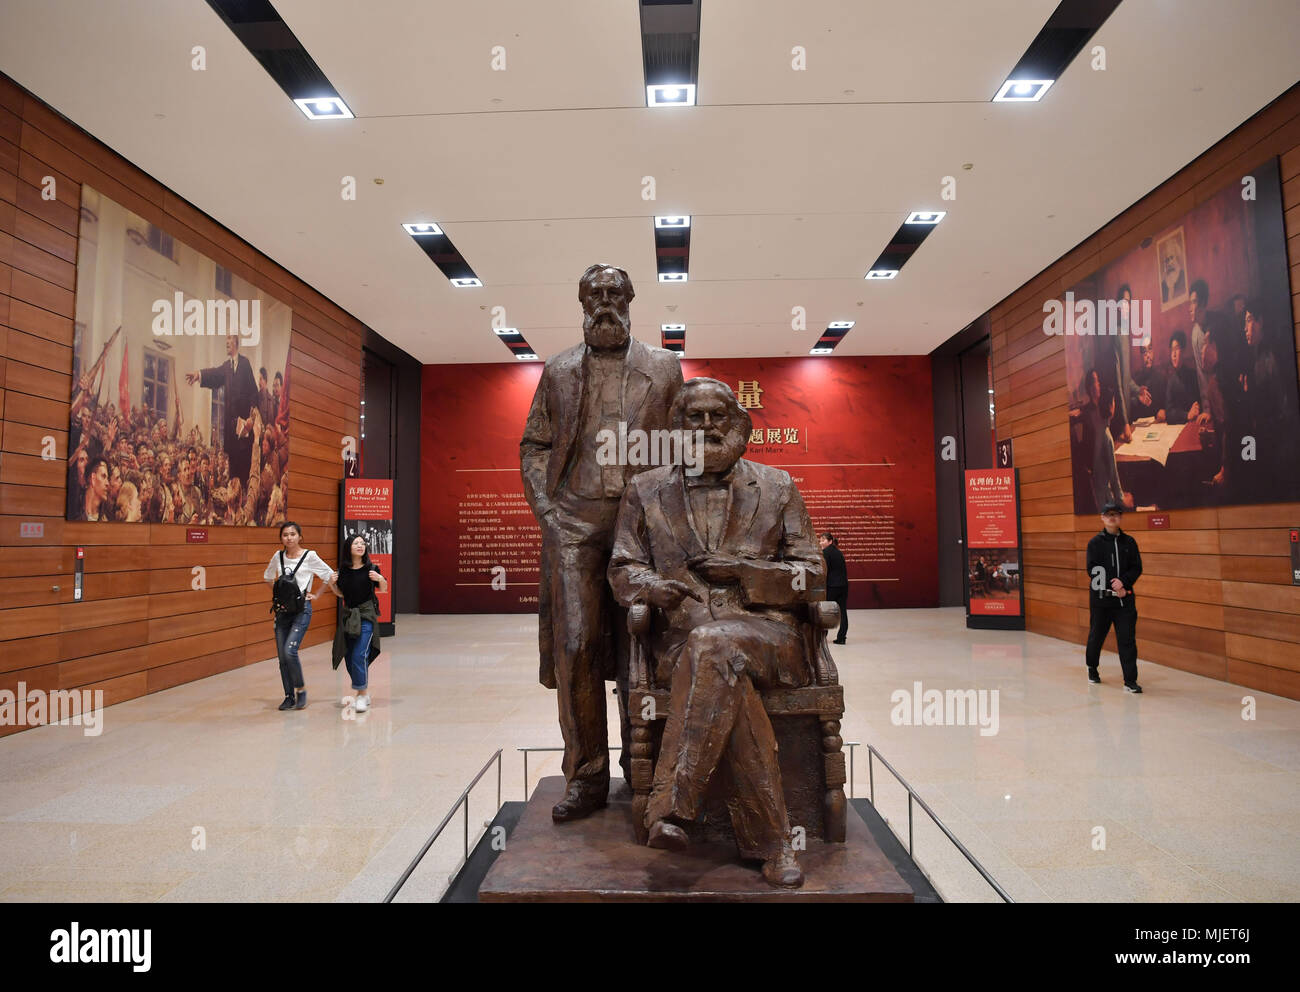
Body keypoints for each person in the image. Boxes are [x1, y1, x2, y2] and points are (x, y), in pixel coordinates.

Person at [608, 378, 826, 888]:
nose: (706, 427)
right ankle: (773, 842)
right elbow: (622, 569)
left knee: (718, 646)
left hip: (769, 637)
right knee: (719, 659)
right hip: (683, 640)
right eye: (694, 417)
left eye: (718, 417)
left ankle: (671, 808)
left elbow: (810, 573)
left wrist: (745, 571)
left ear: (740, 424)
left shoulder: (777, 487)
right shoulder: (645, 490)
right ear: (674, 429)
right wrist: (655, 588)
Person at [520, 263, 683, 823]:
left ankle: (649, 768)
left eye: (615, 293)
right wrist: (547, 510)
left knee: (643, 646)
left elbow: (683, 440)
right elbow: (536, 444)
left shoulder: (663, 367)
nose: (606, 302)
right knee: (577, 648)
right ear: (582, 301)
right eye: (596, 294)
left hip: (642, 523)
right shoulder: (560, 370)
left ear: (632, 300)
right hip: (575, 524)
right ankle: (586, 776)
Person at [263, 522, 337, 711]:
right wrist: (280, 595)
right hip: (281, 613)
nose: (289, 538)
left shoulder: (309, 556)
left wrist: (318, 594)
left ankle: (301, 690)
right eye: (285, 535)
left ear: (300, 537)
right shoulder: (278, 556)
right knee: (282, 657)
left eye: (293, 534)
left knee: (290, 651)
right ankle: (288, 696)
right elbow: (268, 577)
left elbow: (329, 575)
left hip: (302, 610)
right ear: (281, 538)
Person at [1084, 500, 1143, 692]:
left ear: (1120, 517)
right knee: (1096, 637)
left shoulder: (1130, 542)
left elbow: (1137, 567)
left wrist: (1123, 583)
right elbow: (1092, 570)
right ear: (1102, 517)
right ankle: (1092, 668)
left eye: (1116, 514)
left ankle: (1130, 681)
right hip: (1101, 601)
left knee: (1127, 639)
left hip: (1124, 600)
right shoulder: (1094, 543)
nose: (1112, 517)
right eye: (1108, 514)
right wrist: (1113, 583)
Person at [187, 334, 258, 491]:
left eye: (229, 339)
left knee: (244, 475)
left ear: (236, 343)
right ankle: (233, 508)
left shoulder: (245, 364)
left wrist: (251, 418)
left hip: (245, 433)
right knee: (233, 477)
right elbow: (214, 374)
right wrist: (199, 375)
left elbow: (254, 393)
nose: (226, 342)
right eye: (226, 339)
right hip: (232, 434)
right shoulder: (226, 367)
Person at [330, 533, 387, 713]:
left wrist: (380, 579)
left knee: (359, 654)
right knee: (349, 656)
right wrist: (332, 584)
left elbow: (384, 589)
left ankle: (361, 694)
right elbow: (341, 594)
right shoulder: (343, 571)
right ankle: (364, 693)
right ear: (349, 548)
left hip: (366, 616)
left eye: (362, 543)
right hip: (349, 617)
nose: (360, 546)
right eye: (356, 543)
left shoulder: (371, 568)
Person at [1163, 331, 1200, 425]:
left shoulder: (1193, 376)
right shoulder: (1171, 381)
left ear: (1183, 351)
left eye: (1177, 349)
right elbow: (1169, 413)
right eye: (1172, 350)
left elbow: (1197, 406)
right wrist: (1186, 415)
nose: (1173, 354)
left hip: (1194, 424)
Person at [819, 532, 848, 644]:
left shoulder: (826, 552)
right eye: (820, 540)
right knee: (843, 612)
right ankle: (842, 638)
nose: (821, 542)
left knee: (826, 611)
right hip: (843, 586)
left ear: (830, 541)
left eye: (823, 540)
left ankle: (822, 637)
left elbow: (825, 570)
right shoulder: (838, 551)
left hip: (832, 586)